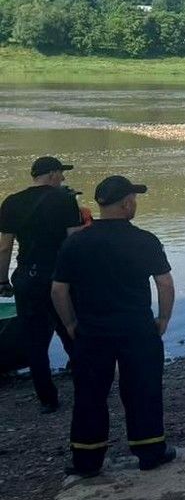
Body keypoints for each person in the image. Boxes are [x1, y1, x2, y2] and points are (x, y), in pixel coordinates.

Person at [51, 176, 177, 477]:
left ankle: (86, 460)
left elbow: (58, 290)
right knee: (142, 389)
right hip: (136, 327)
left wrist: (70, 322)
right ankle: (150, 451)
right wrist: (163, 318)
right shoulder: (144, 240)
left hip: (92, 330)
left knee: (90, 394)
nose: (135, 203)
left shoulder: (76, 241)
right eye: (134, 198)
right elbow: (165, 283)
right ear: (125, 203)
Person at [0, 157, 84, 413]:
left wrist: (2, 280)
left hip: (27, 276)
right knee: (70, 329)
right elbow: (74, 242)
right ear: (51, 174)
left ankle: (47, 399)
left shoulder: (11, 202)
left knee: (34, 341)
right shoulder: (66, 200)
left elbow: (4, 246)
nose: (63, 179)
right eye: (61, 174)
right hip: (60, 276)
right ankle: (85, 386)